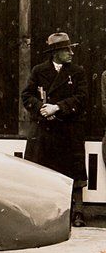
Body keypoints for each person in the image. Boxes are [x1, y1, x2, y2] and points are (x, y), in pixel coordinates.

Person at [21, 32, 88, 227]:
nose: (71, 53)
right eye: (67, 50)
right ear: (55, 53)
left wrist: (57, 107)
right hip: (44, 130)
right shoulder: (38, 71)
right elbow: (27, 96)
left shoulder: (77, 72)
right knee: (41, 171)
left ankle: (77, 211)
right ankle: (42, 213)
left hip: (69, 129)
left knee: (74, 171)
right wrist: (42, 109)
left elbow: (82, 98)